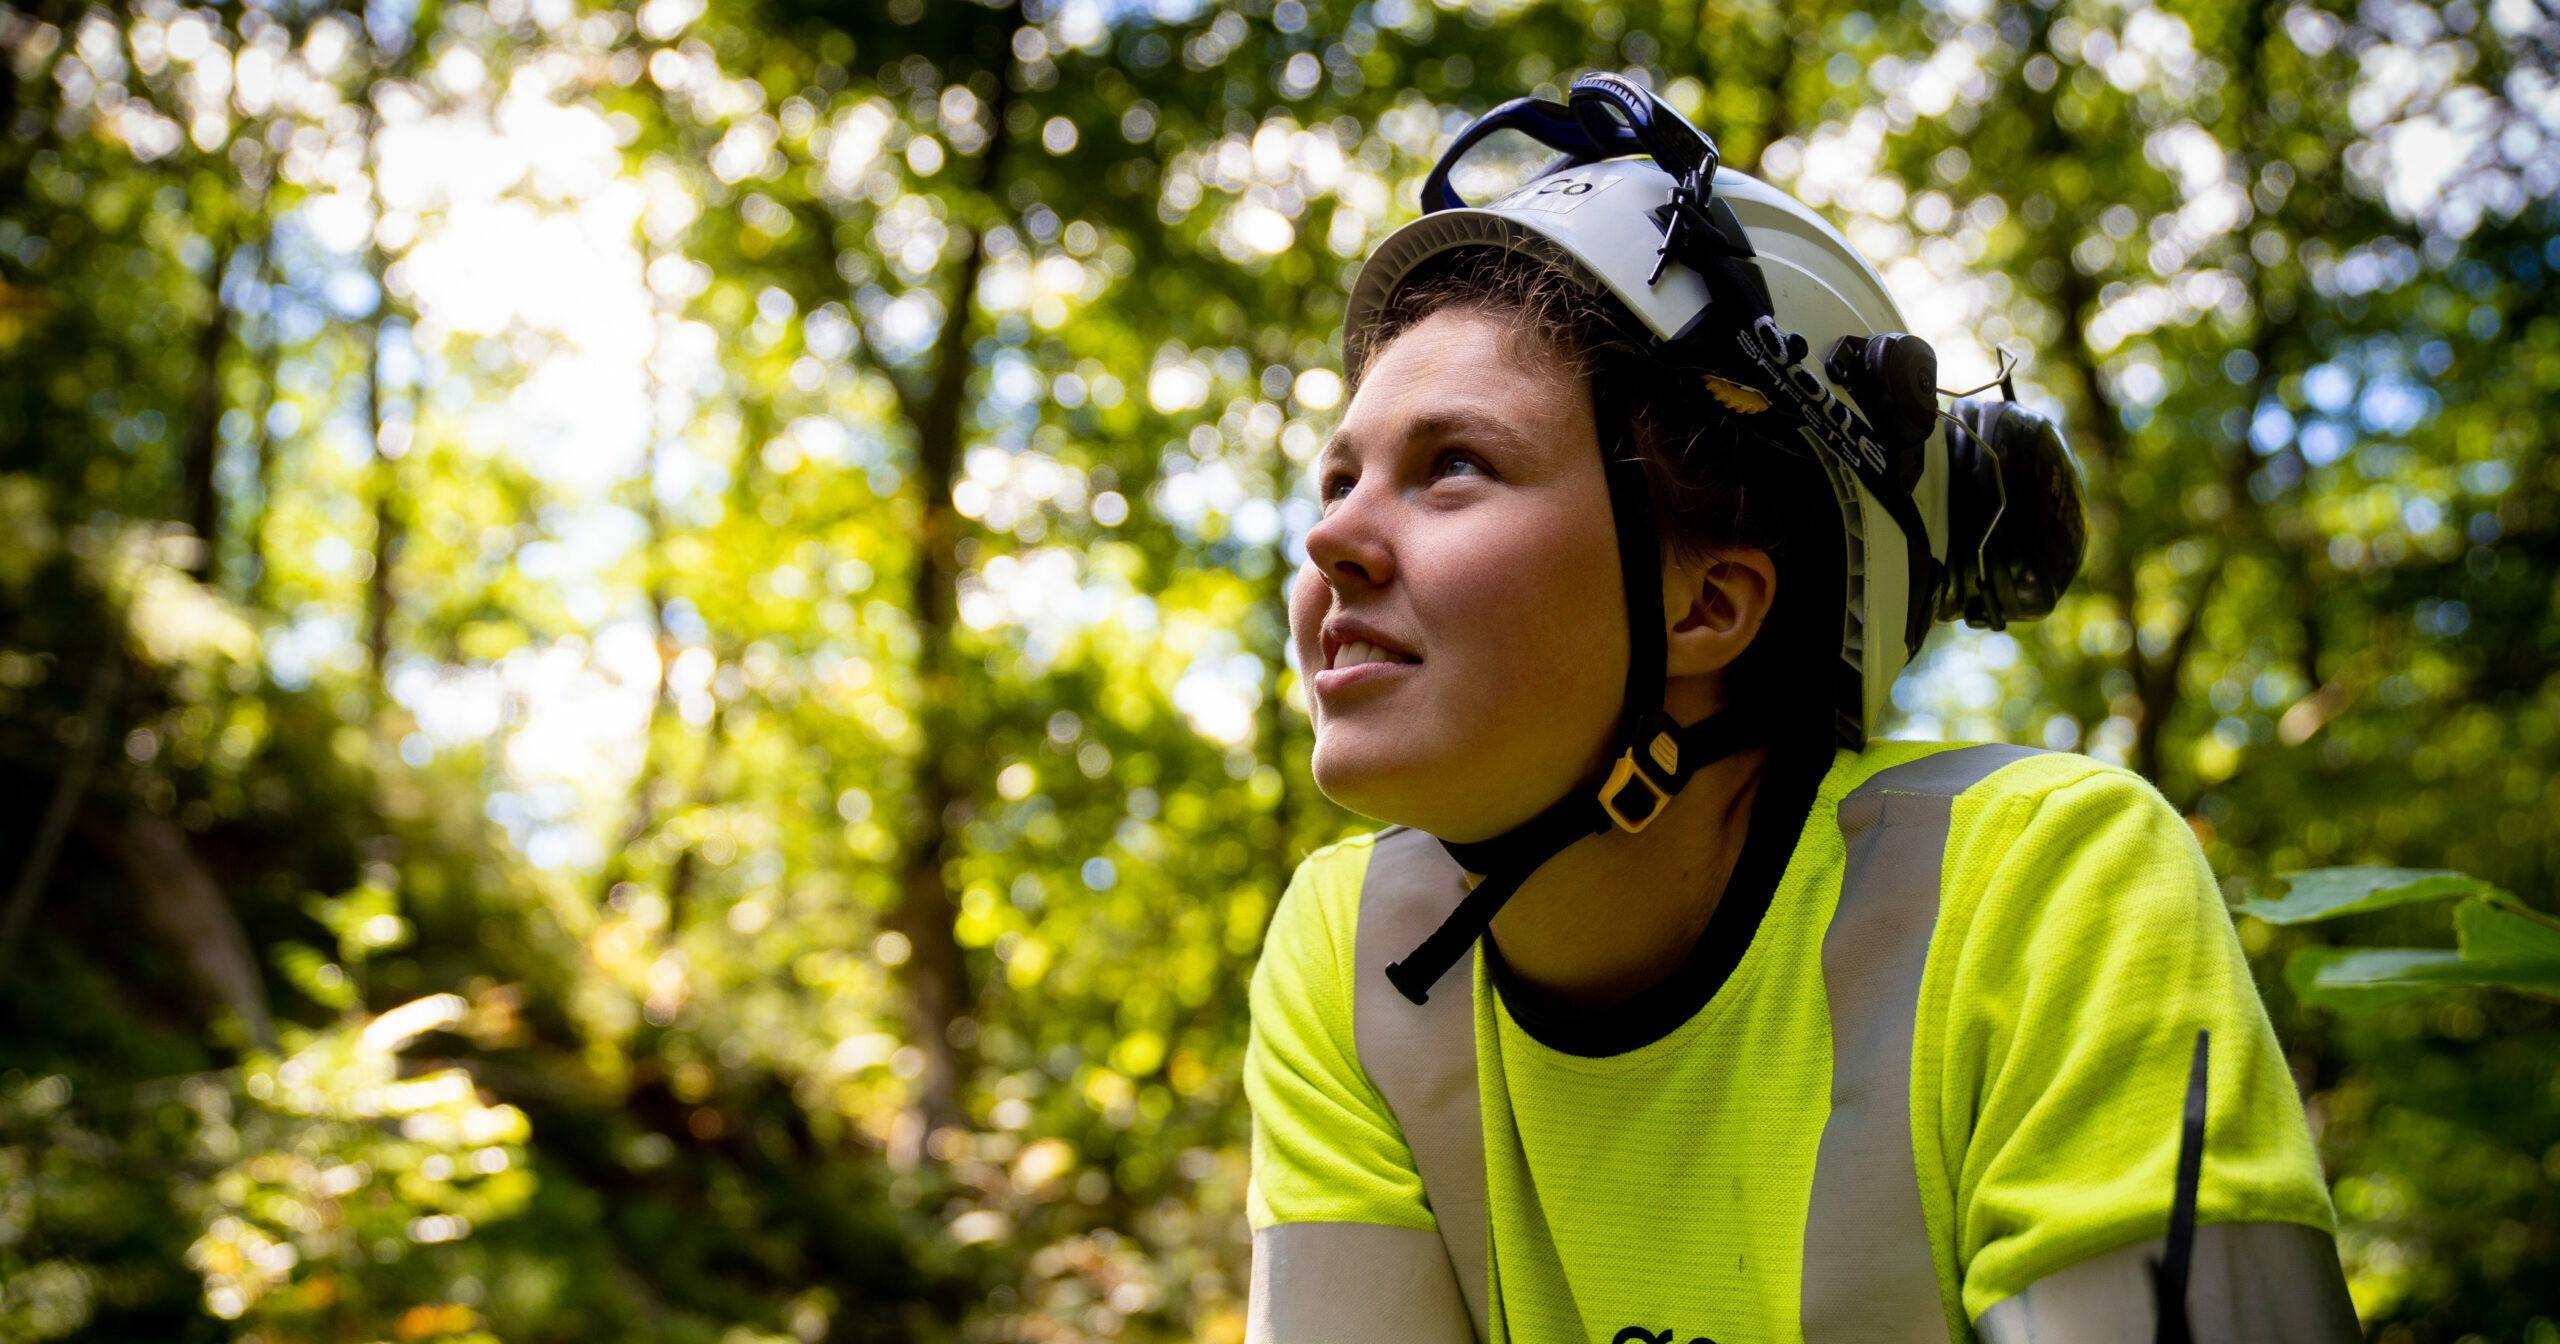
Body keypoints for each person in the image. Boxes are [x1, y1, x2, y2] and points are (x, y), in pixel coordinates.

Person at [1242, 75, 2359, 1344]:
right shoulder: (1354, 960)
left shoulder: (2035, 886)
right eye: (1337, 479)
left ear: (1711, 604)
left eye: (1454, 466)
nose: (1332, 537)